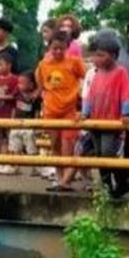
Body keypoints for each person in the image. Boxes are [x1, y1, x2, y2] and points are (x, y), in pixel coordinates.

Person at [84, 33, 129, 198]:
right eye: (94, 55)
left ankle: (121, 181)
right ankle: (107, 187)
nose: (96, 59)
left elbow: (127, 94)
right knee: (99, 154)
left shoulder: (120, 73)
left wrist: (127, 113)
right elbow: (89, 95)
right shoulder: (97, 74)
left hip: (111, 122)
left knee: (108, 153)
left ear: (113, 55)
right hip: (95, 121)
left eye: (101, 55)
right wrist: (85, 113)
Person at [36, 34, 86, 192]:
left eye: (61, 48)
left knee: (68, 145)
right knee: (55, 145)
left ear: (67, 47)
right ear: (49, 47)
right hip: (50, 109)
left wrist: (82, 102)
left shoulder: (74, 62)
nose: (57, 51)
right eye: (54, 48)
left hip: (69, 110)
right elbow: (41, 83)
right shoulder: (43, 64)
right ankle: (60, 178)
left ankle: (66, 180)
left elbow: (86, 78)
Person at [5, 71, 43, 176]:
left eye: (22, 83)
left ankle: (35, 167)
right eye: (19, 83)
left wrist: (36, 126)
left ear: (31, 84)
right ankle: (15, 167)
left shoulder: (35, 98)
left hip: (28, 126)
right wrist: (11, 122)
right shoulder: (17, 94)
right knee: (14, 146)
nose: (19, 85)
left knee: (31, 147)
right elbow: (14, 108)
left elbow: (37, 112)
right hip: (16, 124)